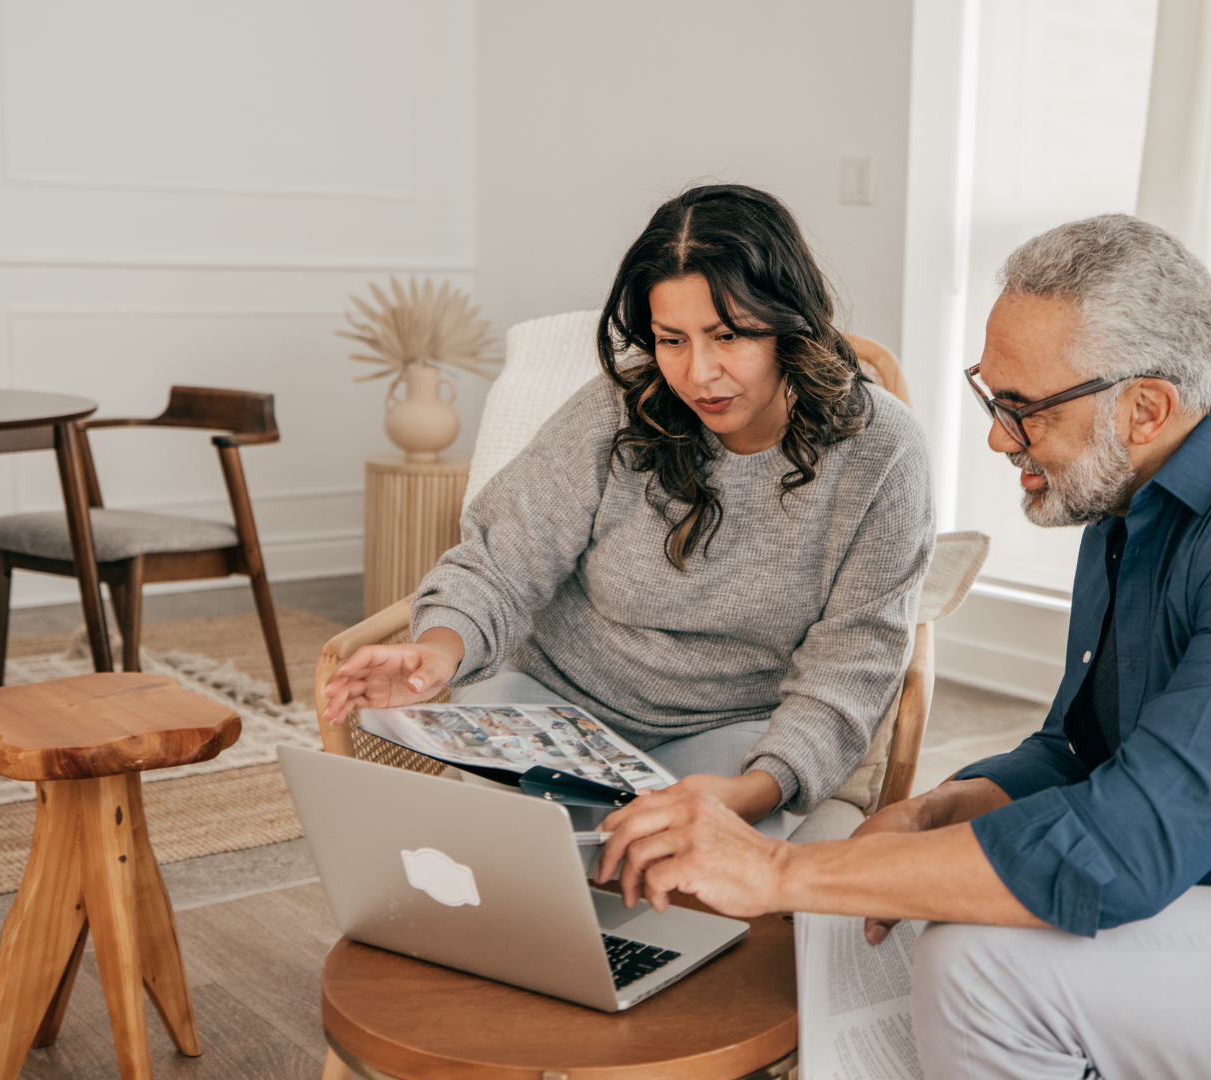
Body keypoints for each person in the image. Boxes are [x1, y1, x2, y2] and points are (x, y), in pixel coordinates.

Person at [591, 214, 1211, 1078]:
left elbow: (1124, 850)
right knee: (893, 903)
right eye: (992, 397)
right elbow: (1085, 750)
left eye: (1020, 408)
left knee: (974, 965)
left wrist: (777, 874)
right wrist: (960, 800)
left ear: (1147, 406)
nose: (995, 437)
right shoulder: (1131, 498)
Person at [322, 184, 936, 838]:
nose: (699, 374)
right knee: (492, 871)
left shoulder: (883, 452)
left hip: (729, 737)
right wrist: (438, 653)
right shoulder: (617, 410)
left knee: (685, 882)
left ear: (788, 320)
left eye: (727, 335)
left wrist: (753, 793)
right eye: (672, 340)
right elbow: (500, 564)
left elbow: (853, 667)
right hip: (552, 710)